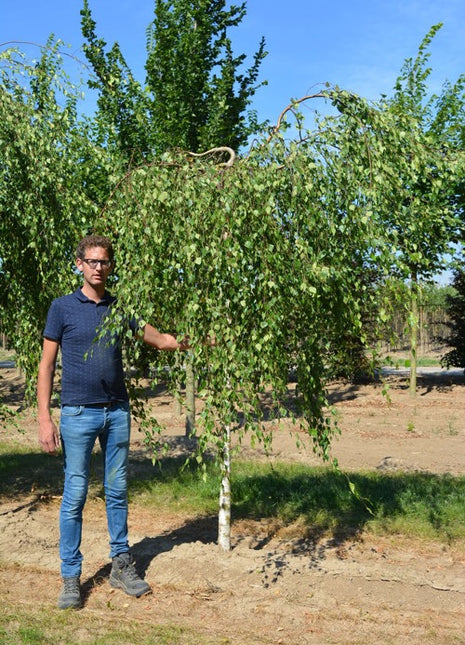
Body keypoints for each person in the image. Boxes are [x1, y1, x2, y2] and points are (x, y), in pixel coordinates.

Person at [37, 235, 187, 610]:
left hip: (117, 411)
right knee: (74, 496)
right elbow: (46, 365)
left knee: (117, 491)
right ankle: (71, 578)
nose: (98, 267)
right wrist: (44, 417)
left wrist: (201, 341)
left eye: (104, 262)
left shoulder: (120, 310)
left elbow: (161, 340)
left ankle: (121, 565)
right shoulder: (61, 308)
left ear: (111, 266)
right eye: (91, 261)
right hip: (77, 413)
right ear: (79, 264)